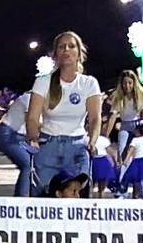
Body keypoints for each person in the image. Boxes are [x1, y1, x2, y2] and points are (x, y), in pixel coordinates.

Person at [25, 31, 103, 196]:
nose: (66, 50)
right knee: (44, 200)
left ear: (79, 53)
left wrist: (93, 141)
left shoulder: (89, 83)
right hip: (48, 147)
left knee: (77, 201)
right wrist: (33, 138)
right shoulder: (43, 82)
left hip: (77, 149)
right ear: (55, 54)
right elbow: (32, 116)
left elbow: (95, 118)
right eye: (61, 47)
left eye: (71, 46)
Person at [0, 90, 34, 197]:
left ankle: (26, 193)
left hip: (16, 136)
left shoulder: (32, 98)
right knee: (27, 164)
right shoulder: (29, 98)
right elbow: (31, 120)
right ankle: (21, 198)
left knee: (32, 162)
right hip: (8, 135)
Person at [104, 70, 143, 158]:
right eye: (125, 83)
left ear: (134, 83)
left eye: (130, 83)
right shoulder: (118, 95)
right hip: (125, 125)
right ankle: (122, 170)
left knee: (138, 154)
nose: (127, 86)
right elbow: (113, 115)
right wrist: (106, 135)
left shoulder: (141, 93)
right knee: (121, 150)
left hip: (139, 124)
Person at [90, 134, 119, 199]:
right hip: (95, 159)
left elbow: (109, 151)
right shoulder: (87, 137)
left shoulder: (103, 139)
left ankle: (100, 194)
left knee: (102, 179)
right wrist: (115, 161)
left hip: (101, 159)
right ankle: (98, 193)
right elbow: (110, 151)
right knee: (96, 179)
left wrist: (115, 161)